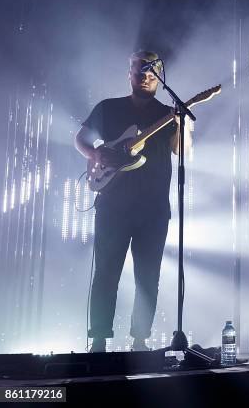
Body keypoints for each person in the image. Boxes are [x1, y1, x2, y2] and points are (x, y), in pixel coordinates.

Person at [74, 50, 192, 352]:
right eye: (140, 70)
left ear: (159, 77)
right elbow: (82, 138)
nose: (146, 75)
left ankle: (140, 340)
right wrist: (96, 154)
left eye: (153, 72)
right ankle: (98, 339)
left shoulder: (167, 113)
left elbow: (182, 151)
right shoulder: (109, 108)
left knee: (147, 276)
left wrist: (181, 125)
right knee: (106, 273)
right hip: (112, 203)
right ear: (130, 74)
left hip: (153, 209)